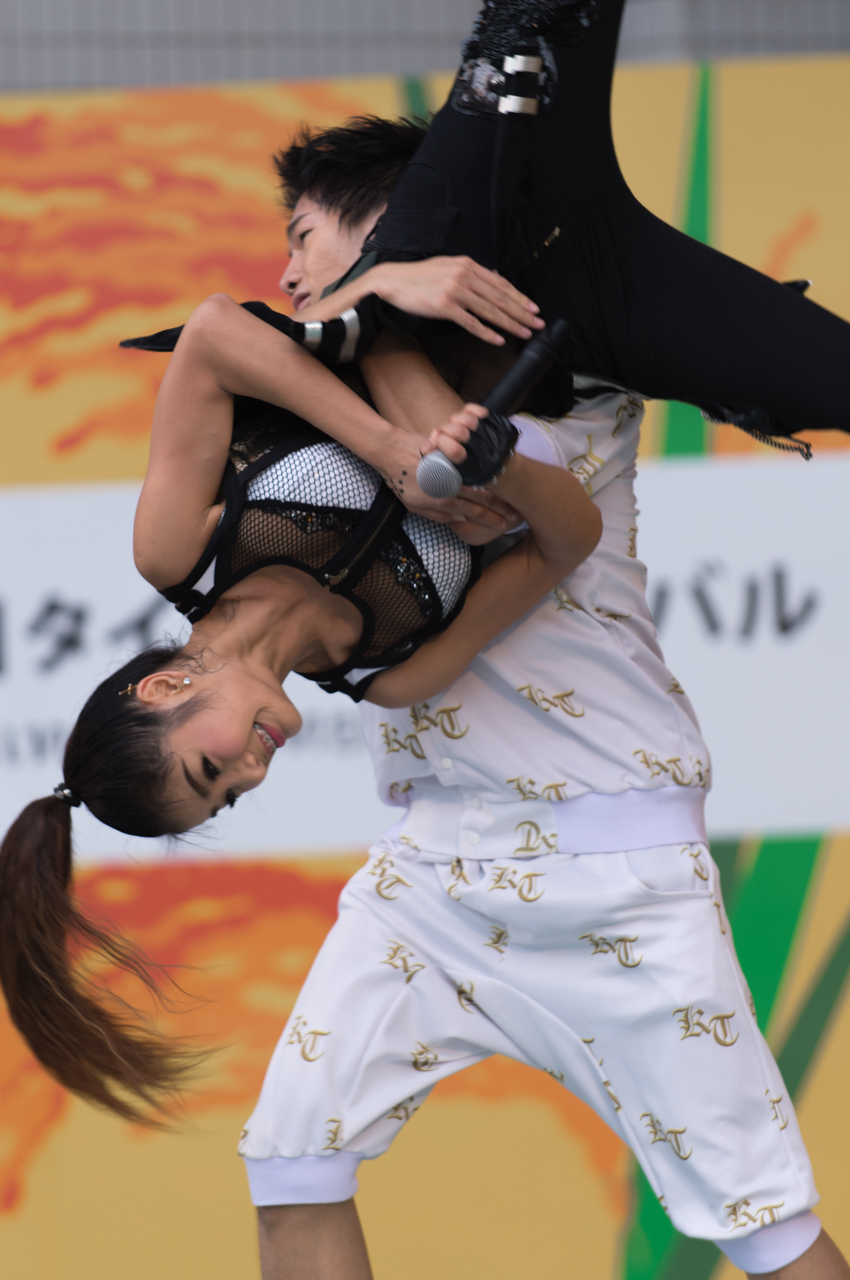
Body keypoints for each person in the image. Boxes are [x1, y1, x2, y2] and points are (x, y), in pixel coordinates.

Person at [235, 5, 850, 1279]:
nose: (288, 275)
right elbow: (253, 344)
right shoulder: (327, 379)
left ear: (370, 217)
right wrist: (370, 292)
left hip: (616, 870)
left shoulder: (523, 351)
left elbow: (437, 419)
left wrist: (378, 286)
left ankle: (504, 63)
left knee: (769, 1235)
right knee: (290, 1163)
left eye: (302, 239)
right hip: (429, 878)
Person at [0, 288, 600, 1118]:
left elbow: (214, 332)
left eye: (209, 770)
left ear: (164, 688)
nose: (249, 775)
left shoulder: (177, 549)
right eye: (228, 797)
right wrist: (504, 471)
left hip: (417, 279)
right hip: (558, 356)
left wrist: (393, 453)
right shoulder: (397, 672)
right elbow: (571, 539)